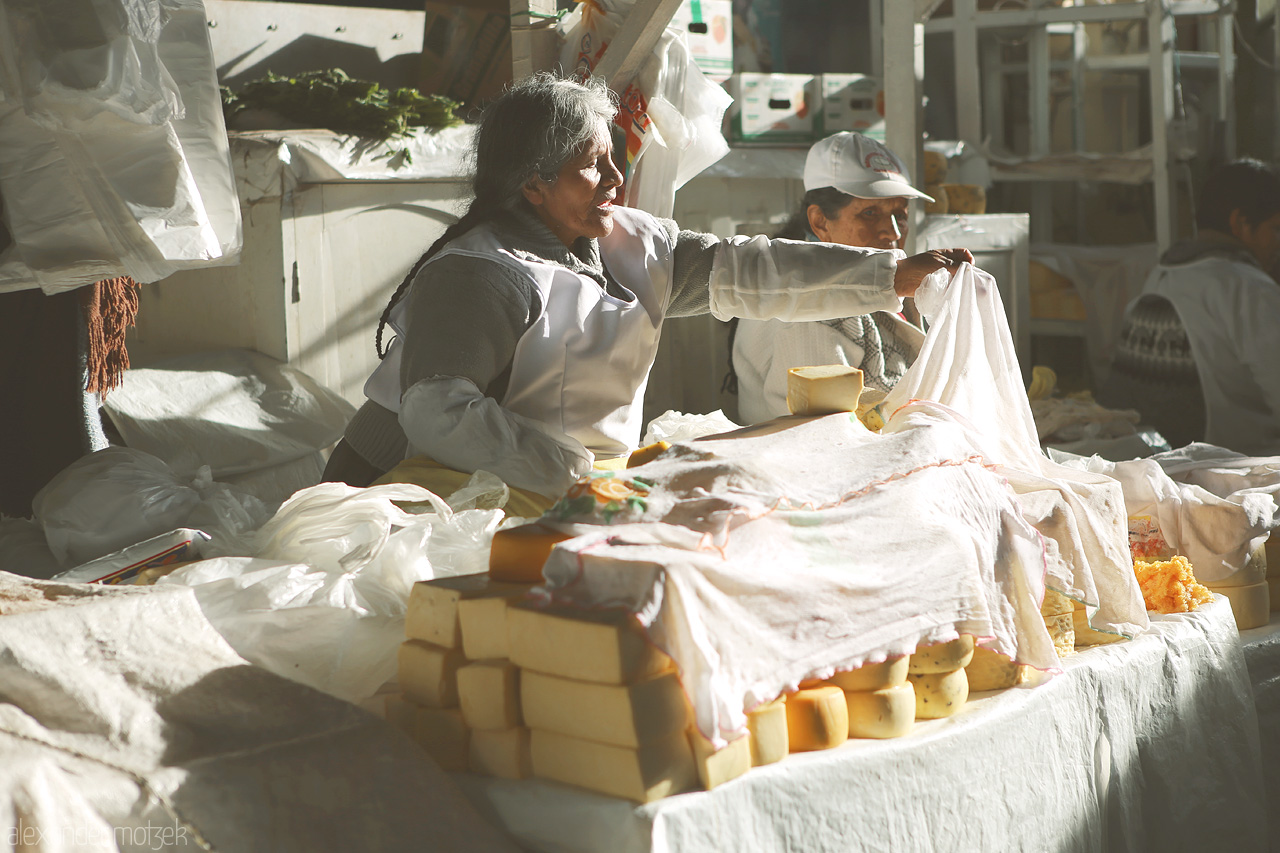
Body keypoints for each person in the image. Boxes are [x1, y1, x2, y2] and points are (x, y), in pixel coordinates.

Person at [322, 74, 970, 508]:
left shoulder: (632, 243)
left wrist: (888, 277)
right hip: (422, 490)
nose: (614, 177)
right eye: (590, 165)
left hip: (554, 490)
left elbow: (748, 271)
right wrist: (577, 475)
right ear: (532, 186)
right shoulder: (480, 272)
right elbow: (438, 413)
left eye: (613, 156)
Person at [730, 132, 934, 424]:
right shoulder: (808, 307)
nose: (893, 232)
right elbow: (822, 436)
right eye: (869, 212)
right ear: (820, 221)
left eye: (899, 215)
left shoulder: (886, 280)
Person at [1123, 158, 1280, 455]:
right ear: (1241, 223)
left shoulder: (1163, 273)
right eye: (1275, 229)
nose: (1278, 243)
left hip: (1162, 464)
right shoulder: (1249, 288)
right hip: (1237, 466)